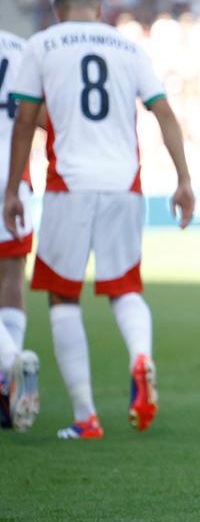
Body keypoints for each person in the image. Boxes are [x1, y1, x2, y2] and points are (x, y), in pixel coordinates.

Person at [3, 0, 196, 439]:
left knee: (63, 296)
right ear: (99, 9)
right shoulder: (128, 47)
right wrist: (185, 180)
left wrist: (12, 188)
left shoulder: (44, 44)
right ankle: (141, 355)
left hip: (70, 182)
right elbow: (164, 113)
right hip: (125, 184)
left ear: (57, 11)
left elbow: (27, 120)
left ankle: (86, 416)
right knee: (125, 287)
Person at [0, 28, 38, 433]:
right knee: (11, 278)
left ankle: (11, 359)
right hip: (14, 179)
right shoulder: (22, 48)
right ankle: (6, 390)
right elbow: (42, 116)